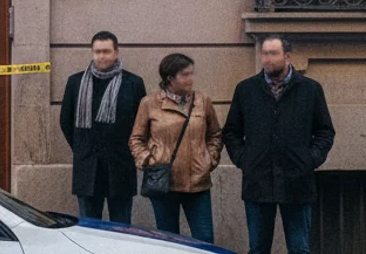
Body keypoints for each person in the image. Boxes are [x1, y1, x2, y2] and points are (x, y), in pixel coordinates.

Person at [222, 35, 334, 254]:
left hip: (297, 182)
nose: (267, 59)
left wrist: (309, 159)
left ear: (288, 56)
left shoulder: (310, 89)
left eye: (273, 54)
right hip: (258, 182)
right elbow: (232, 132)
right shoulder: (246, 89)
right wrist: (245, 159)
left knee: (299, 248)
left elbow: (324, 131)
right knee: (258, 248)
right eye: (264, 53)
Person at [129, 53, 222, 243]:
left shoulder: (202, 101)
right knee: (169, 241)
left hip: (198, 182)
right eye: (185, 75)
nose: (191, 79)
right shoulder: (149, 103)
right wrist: (148, 161)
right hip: (164, 184)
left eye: (192, 73)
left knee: (204, 240)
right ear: (170, 78)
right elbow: (136, 139)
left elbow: (215, 135)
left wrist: (209, 159)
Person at [59, 30, 146, 223]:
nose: (101, 56)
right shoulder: (75, 82)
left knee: (122, 228)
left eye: (106, 51)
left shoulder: (133, 83)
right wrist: (82, 148)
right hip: (87, 167)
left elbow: (141, 124)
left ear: (116, 52)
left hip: (120, 165)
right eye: (97, 51)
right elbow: (66, 120)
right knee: (89, 227)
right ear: (92, 53)